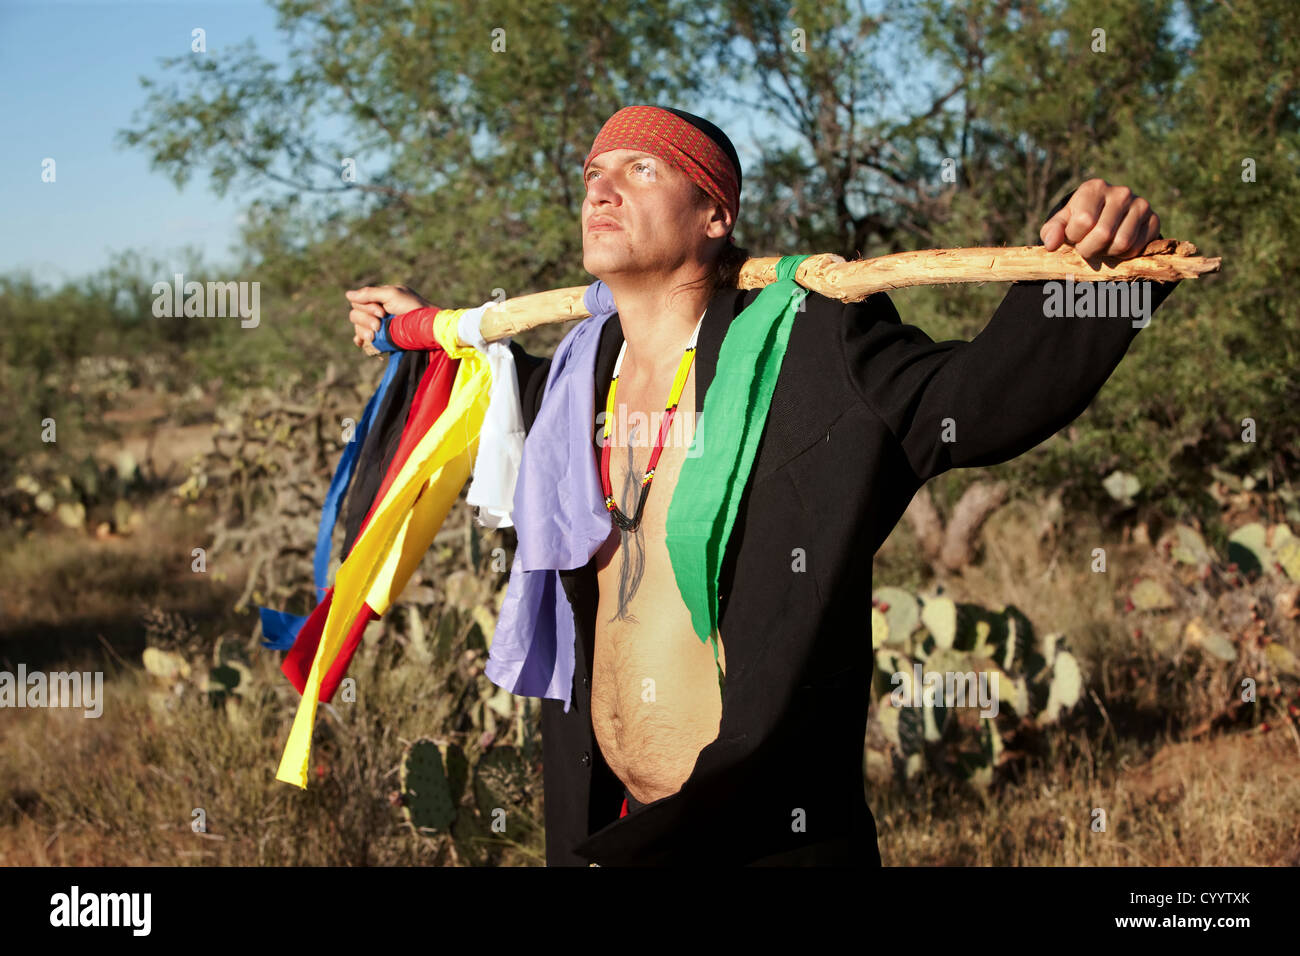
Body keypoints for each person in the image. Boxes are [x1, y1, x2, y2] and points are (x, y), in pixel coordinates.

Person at [345, 105, 1176, 866]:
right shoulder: (574, 380)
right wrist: (421, 328)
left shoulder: (812, 353)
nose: (601, 187)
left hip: (758, 832)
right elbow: (489, 394)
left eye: (641, 169)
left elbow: (976, 402)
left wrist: (1095, 274)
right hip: (613, 822)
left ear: (716, 215)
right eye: (594, 173)